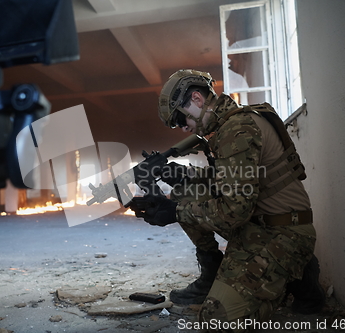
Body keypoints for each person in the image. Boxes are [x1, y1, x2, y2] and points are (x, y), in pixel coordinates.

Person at [130, 69, 325, 332]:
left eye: (179, 118)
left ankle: (295, 276)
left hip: (282, 233)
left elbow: (234, 210)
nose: (181, 127)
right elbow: (237, 177)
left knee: (216, 320)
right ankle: (213, 272)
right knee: (187, 190)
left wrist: (175, 213)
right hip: (259, 224)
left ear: (197, 99)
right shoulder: (230, 125)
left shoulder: (237, 128)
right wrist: (181, 175)